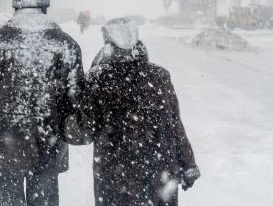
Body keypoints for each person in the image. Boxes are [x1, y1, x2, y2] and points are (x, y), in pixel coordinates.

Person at [0, 0, 85, 206]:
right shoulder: (65, 45)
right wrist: (77, 130)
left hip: (4, 146)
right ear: (45, 6)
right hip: (48, 144)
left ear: (16, 6)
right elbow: (76, 99)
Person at [81, 18, 200, 206]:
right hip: (159, 173)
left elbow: (84, 130)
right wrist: (188, 164)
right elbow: (174, 124)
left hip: (115, 175)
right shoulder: (159, 76)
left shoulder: (98, 78)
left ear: (108, 45)